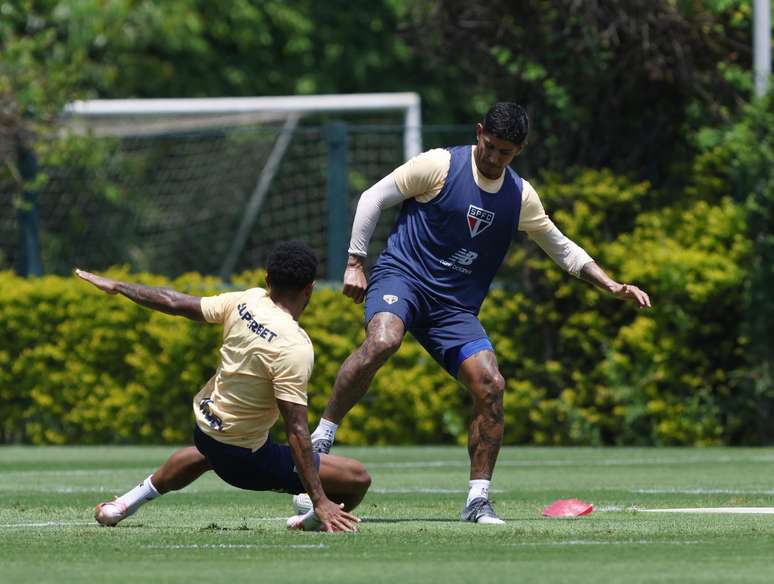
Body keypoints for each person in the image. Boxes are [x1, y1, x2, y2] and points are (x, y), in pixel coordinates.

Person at [300, 101, 651, 525]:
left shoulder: (519, 195)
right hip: (403, 279)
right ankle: (321, 438)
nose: (493, 157)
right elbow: (374, 196)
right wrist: (355, 262)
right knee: (384, 339)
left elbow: (560, 246)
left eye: (505, 152)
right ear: (479, 131)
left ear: (519, 150)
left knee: (491, 383)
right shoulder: (439, 166)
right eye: (489, 145)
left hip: (452, 308)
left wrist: (610, 283)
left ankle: (477, 500)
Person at [77, 240, 370, 532]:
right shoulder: (295, 346)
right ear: (310, 289)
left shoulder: (247, 300)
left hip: (205, 431)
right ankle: (313, 517)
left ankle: (122, 505)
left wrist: (119, 286)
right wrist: (318, 497)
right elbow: (296, 430)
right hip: (247, 463)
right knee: (357, 478)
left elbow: (174, 302)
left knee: (206, 454)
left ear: (267, 280)